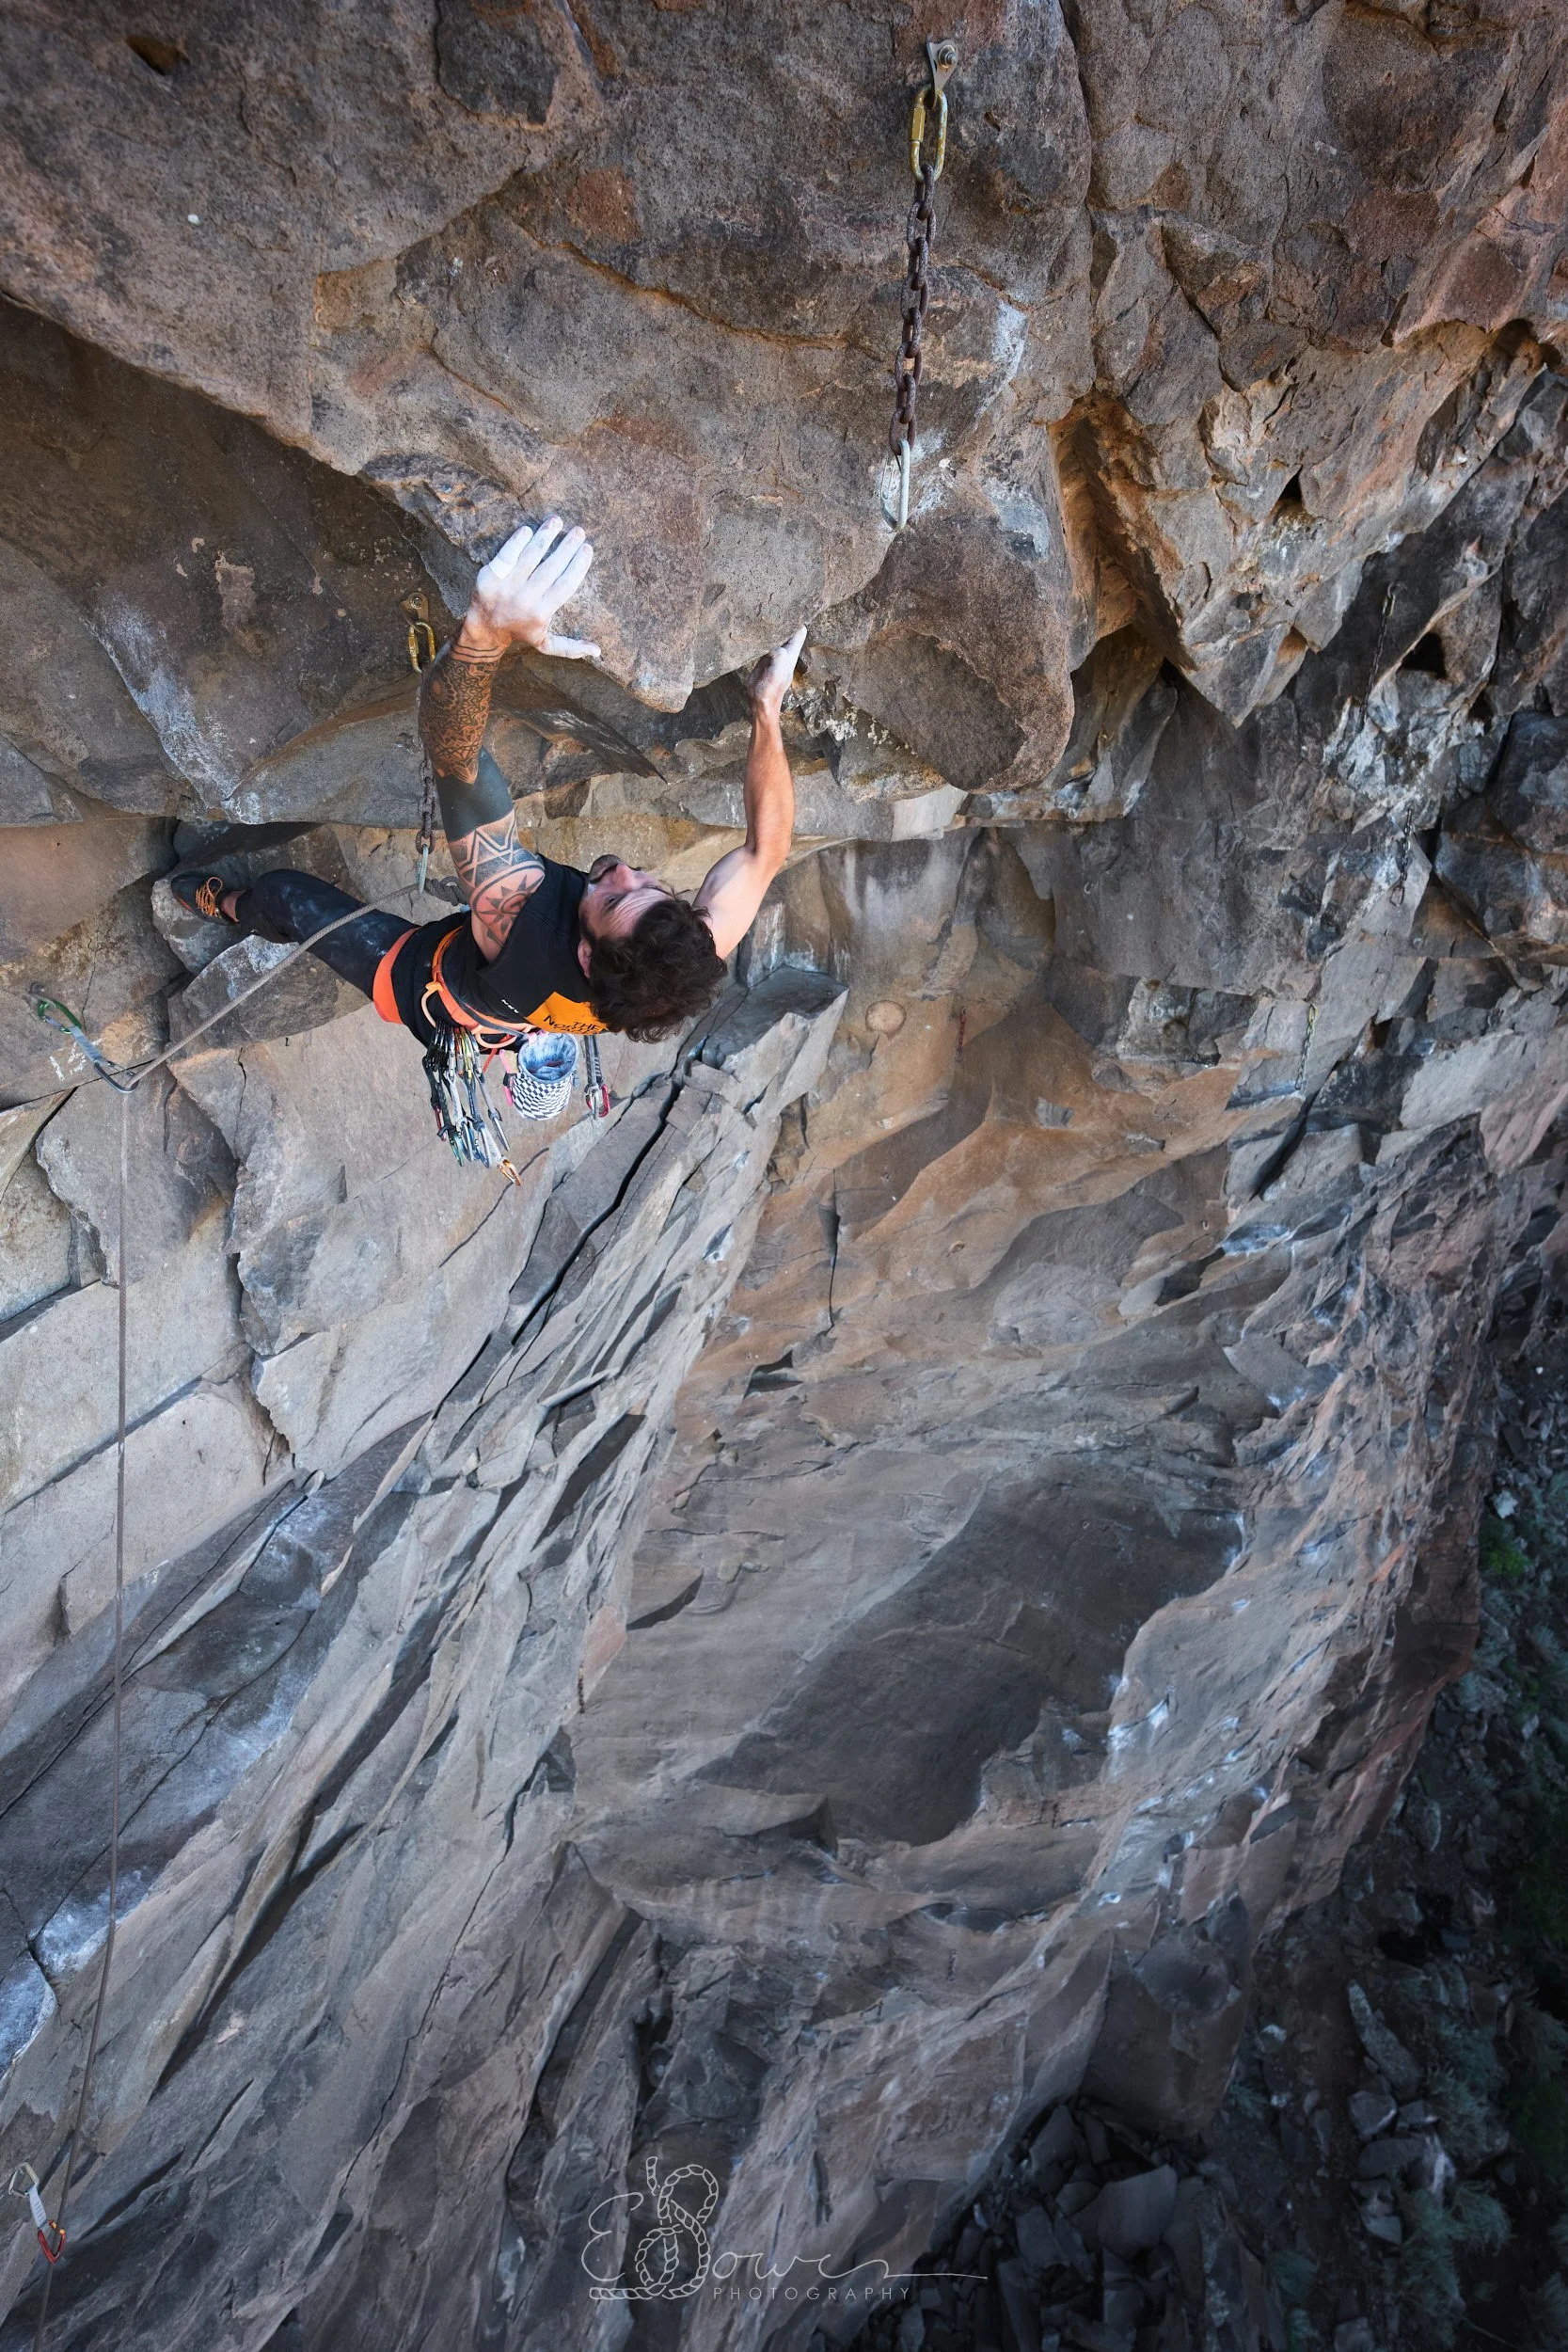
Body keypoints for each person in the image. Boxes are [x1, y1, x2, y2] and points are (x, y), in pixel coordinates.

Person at [171, 518, 808, 1056]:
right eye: (653, 886)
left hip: (427, 985)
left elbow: (456, 759)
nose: (626, 873)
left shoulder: (513, 911)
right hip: (512, 1012)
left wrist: (483, 634)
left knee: (287, 895)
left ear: (588, 960)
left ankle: (227, 905)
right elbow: (765, 850)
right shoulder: (678, 952)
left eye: (615, 901)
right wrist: (765, 709)